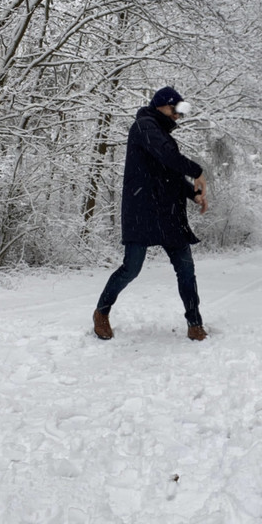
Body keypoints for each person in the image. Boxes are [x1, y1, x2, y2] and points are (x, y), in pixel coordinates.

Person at [93, 87, 208, 342]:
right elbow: (169, 157)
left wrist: (193, 193)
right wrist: (197, 170)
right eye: (175, 110)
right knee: (131, 269)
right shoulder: (144, 127)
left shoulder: (161, 134)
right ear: (161, 106)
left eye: (181, 112)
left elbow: (170, 172)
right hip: (141, 212)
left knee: (186, 269)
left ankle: (195, 323)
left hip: (168, 214)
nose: (178, 117)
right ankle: (101, 312)